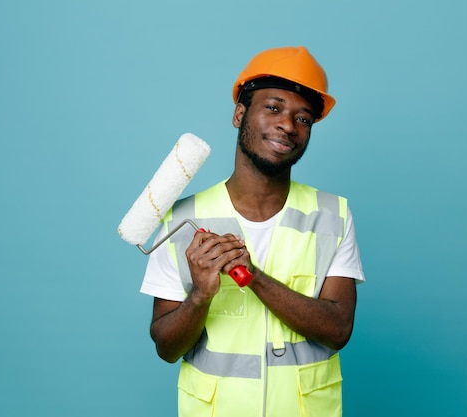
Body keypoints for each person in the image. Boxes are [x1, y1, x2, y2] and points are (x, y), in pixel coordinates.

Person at [140, 46, 365, 417]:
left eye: (303, 118)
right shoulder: (184, 217)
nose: (288, 125)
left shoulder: (333, 214)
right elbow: (166, 348)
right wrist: (199, 296)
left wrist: (254, 276)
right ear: (240, 114)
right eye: (273, 108)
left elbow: (338, 329)